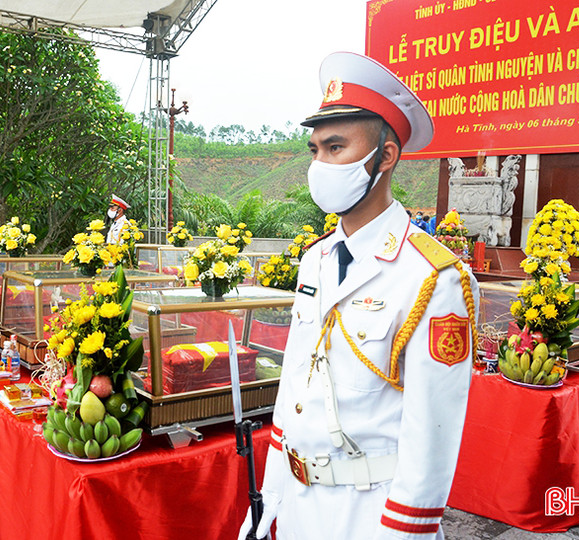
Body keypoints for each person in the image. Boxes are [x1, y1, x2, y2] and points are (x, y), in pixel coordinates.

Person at [239, 52, 478, 540]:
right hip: (301, 506)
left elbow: (432, 431)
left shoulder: (433, 276)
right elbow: (294, 393)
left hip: (369, 515)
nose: (320, 163)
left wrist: (404, 530)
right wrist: (268, 503)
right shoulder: (317, 259)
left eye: (336, 147)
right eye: (315, 150)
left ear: (385, 157)